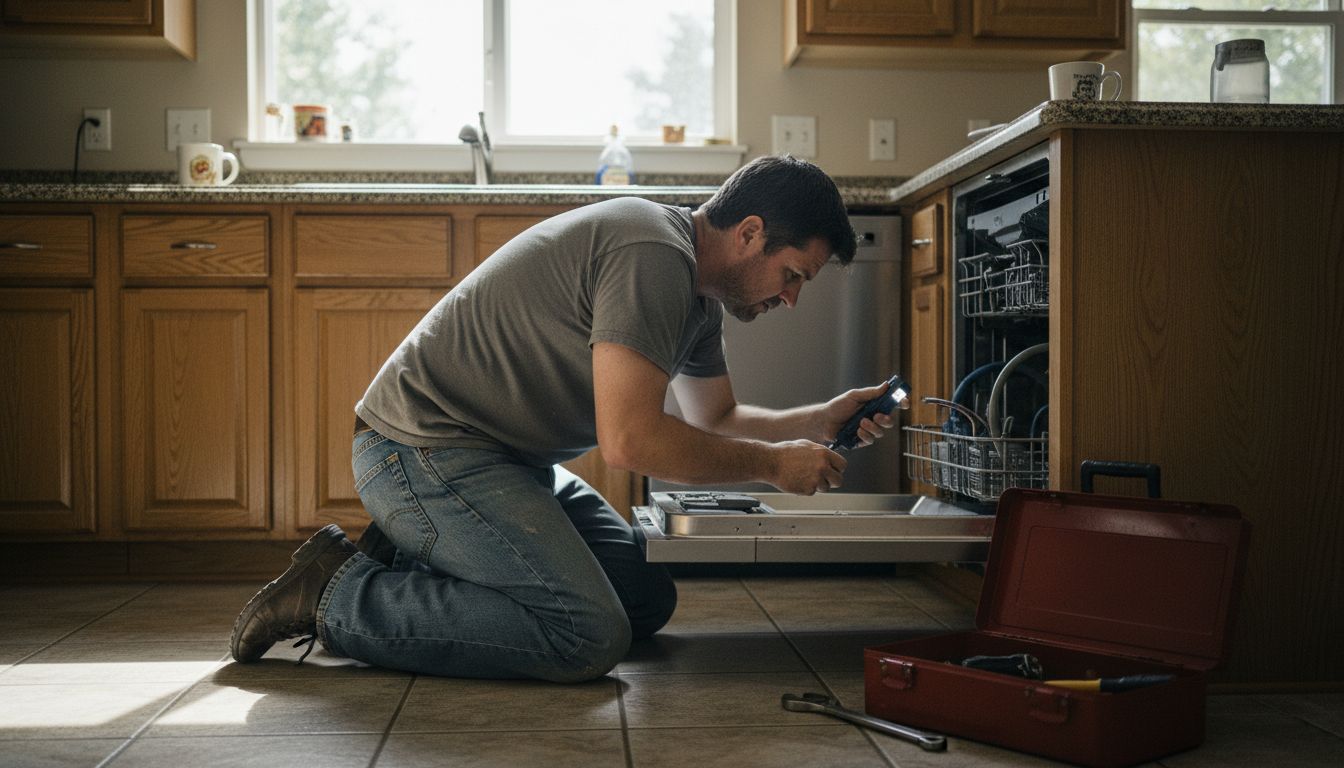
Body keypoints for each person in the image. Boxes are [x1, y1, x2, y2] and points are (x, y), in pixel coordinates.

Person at [230, 155, 897, 682]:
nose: (792, 297)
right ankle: (333, 596)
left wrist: (815, 420)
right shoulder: (652, 252)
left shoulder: (698, 301)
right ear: (750, 233)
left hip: (506, 463)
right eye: (794, 274)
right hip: (420, 449)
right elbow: (631, 442)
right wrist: (774, 468)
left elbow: (717, 417)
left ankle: (415, 549)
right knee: (586, 635)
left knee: (643, 601)